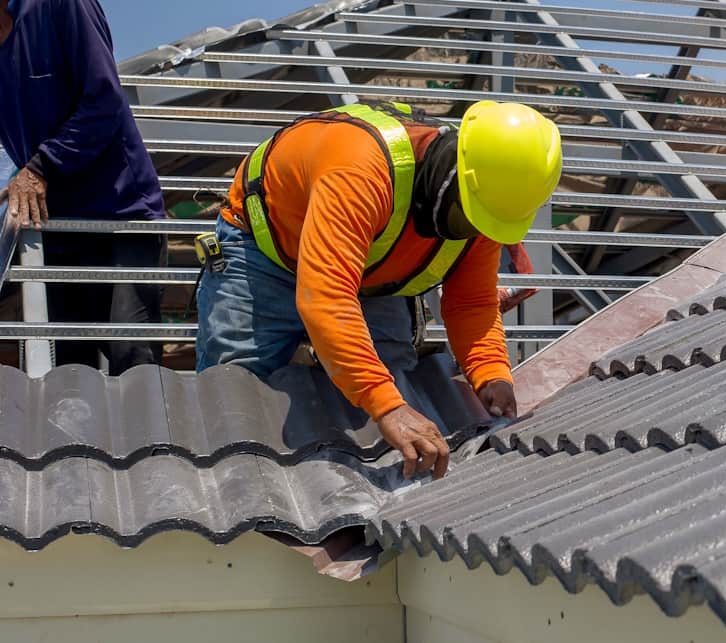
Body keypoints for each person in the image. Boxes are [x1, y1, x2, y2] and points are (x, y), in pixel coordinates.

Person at [196, 100, 561, 480]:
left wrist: (491, 374)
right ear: (451, 173)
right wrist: (387, 407)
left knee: (391, 379)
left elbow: (471, 302)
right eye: (467, 215)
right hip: (266, 252)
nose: (474, 229)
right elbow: (327, 297)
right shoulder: (361, 168)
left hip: (371, 265)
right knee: (236, 394)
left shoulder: (487, 202)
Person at [0, 0, 166, 373]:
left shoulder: (62, 1)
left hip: (122, 216)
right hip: (57, 228)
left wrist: (40, 167)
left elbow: (104, 100)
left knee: (131, 355)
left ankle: (151, 439)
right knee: (70, 370)